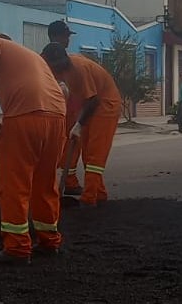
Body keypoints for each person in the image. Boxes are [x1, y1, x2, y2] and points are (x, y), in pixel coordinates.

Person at [0, 33, 67, 263]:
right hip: (56, 118)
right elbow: (63, 91)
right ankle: (49, 240)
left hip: (25, 115)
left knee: (13, 183)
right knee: (44, 182)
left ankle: (16, 248)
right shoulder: (32, 57)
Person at [40, 43, 123, 206]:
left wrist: (78, 124)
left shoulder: (79, 69)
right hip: (89, 105)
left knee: (95, 152)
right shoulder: (59, 67)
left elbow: (93, 100)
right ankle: (99, 193)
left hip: (105, 105)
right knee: (86, 152)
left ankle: (89, 198)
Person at [48, 20, 85, 195]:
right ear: (54, 36)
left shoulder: (68, 59)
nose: (68, 40)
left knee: (72, 147)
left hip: (71, 110)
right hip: (55, 111)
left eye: (68, 36)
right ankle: (48, 186)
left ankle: (68, 182)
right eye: (65, 36)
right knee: (53, 148)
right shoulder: (47, 59)